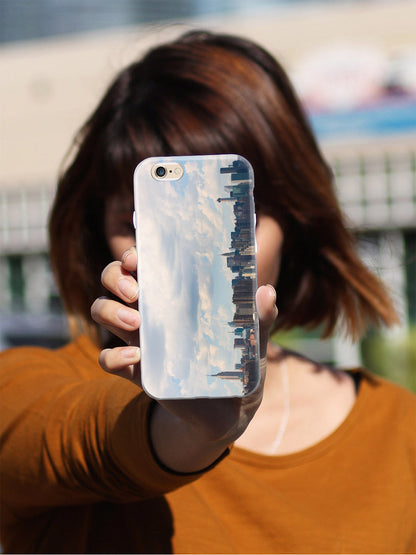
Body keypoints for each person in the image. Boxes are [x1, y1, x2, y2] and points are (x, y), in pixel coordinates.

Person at [0, 30, 415, 554]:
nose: (190, 257)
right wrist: (193, 431)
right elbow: (77, 442)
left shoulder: (400, 431)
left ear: (297, 221)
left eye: (230, 217)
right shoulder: (25, 388)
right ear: (96, 234)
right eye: (152, 224)